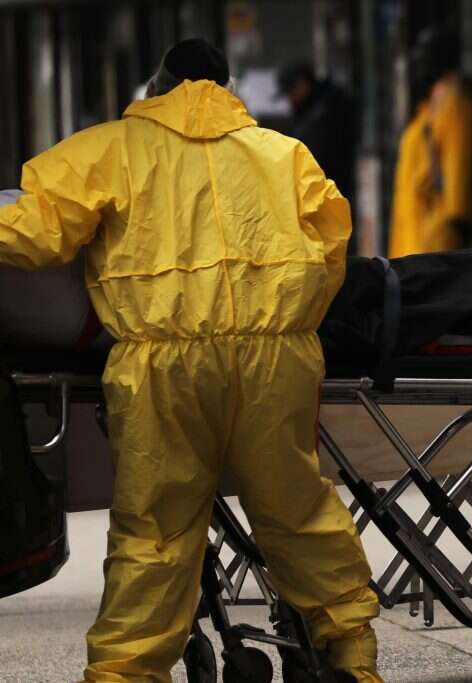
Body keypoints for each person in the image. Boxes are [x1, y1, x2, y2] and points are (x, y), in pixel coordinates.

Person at [0, 39, 381, 683]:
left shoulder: (110, 149)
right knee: (298, 512)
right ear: (226, 89)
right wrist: (285, 320)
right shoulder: (284, 153)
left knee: (156, 532)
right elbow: (330, 249)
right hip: (275, 358)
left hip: (162, 365)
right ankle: (352, 657)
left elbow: (34, 232)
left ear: (157, 87)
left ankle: (125, 674)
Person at [388, 25, 472, 258]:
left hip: (433, 238)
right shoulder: (432, 106)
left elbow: (457, 166)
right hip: (416, 234)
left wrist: (455, 223)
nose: (419, 63)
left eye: (425, 55)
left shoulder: (455, 103)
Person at [277, 63, 358, 200]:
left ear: (303, 84)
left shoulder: (325, 108)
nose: (290, 99)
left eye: (292, 91)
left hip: (329, 188)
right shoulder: (308, 109)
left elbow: (319, 154)